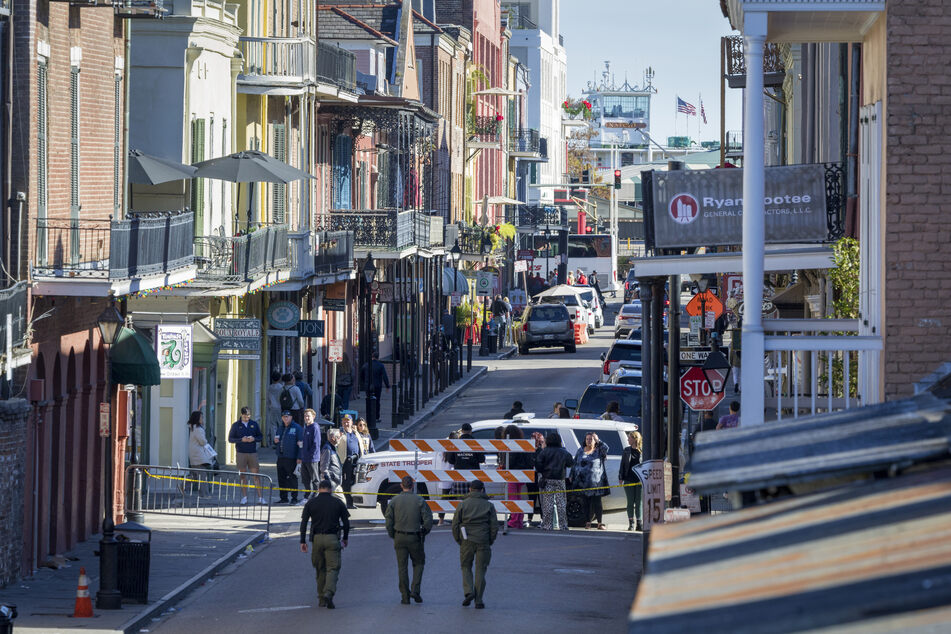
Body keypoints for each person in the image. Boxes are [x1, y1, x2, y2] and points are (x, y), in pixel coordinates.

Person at [300, 479, 350, 609]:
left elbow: (304, 523)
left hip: (316, 539)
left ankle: (321, 598)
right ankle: (329, 592)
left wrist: (302, 541)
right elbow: (346, 523)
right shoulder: (337, 502)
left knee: (319, 569)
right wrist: (345, 538)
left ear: (318, 489)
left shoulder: (311, 503)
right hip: (332, 538)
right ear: (331, 490)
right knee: (333, 568)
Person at [385, 475, 434, 604]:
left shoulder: (394, 501)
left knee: (402, 567)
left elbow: (388, 520)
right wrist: (425, 531)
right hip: (415, 536)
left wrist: (392, 534)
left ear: (401, 486)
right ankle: (415, 590)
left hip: (399, 536)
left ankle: (405, 596)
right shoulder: (419, 500)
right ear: (412, 486)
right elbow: (428, 519)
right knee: (419, 563)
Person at [451, 480, 499, 609]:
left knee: (466, 566)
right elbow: (494, 526)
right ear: (482, 490)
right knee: (480, 570)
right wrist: (490, 540)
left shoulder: (462, 504)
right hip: (483, 540)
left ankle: (468, 591)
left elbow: (455, 525)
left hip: (466, 539)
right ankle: (479, 600)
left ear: (470, 490)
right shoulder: (489, 505)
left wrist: (459, 540)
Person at [534, 432, 574, 530]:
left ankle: (548, 525)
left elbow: (538, 465)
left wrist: (543, 471)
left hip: (547, 479)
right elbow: (570, 463)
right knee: (561, 503)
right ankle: (563, 525)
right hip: (560, 479)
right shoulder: (564, 452)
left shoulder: (544, 451)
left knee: (548, 503)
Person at [571, 432, 610, 529]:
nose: (589, 441)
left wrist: (598, 439)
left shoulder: (599, 451)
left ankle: (600, 523)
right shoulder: (580, 450)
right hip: (582, 482)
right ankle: (588, 522)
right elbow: (575, 463)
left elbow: (606, 448)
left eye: (591, 439)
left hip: (596, 482)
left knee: (597, 503)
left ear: (595, 441)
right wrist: (572, 475)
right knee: (585, 502)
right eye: (587, 439)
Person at [228, 406, 263, 505]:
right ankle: (244, 497)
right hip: (241, 453)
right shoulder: (236, 425)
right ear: (241, 415)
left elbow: (260, 436)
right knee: (243, 476)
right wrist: (241, 440)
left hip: (252, 452)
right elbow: (230, 439)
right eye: (244, 416)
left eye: (248, 416)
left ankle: (260, 497)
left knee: (256, 475)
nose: (246, 418)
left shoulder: (254, 424)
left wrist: (254, 439)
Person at [504, 425, 532, 529]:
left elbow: (510, 462)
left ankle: (514, 520)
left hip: (513, 474)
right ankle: (519, 520)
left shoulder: (511, 445)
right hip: (522, 474)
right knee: (518, 496)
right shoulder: (523, 443)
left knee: (513, 497)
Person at [447, 423, 485, 497]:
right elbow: (481, 459)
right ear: (471, 431)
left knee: (460, 501)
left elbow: (450, 460)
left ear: (462, 431)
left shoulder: (456, 443)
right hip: (474, 478)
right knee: (475, 500)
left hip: (459, 476)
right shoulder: (475, 443)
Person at [274, 411, 303, 504]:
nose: (285, 418)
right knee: (281, 478)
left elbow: (301, 444)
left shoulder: (297, 428)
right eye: (283, 417)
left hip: (292, 458)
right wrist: (275, 441)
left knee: (292, 478)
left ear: (291, 417)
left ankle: (294, 498)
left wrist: (299, 457)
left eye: (287, 417)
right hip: (281, 457)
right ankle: (283, 497)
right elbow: (277, 438)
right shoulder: (280, 427)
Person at [619, 431, 643, 531]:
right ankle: (631, 523)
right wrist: (620, 477)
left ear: (635, 439)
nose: (628, 440)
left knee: (639, 502)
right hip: (628, 479)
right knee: (630, 502)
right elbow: (622, 465)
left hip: (640, 480)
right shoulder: (626, 450)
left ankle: (639, 523)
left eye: (629, 438)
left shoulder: (642, 451)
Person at [187, 411, 215, 495]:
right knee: (203, 477)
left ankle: (183, 486)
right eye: (201, 417)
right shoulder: (198, 429)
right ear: (197, 419)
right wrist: (206, 441)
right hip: (199, 456)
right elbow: (203, 442)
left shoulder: (193, 428)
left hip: (194, 455)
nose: (203, 419)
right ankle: (205, 494)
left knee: (195, 476)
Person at [436, 431, 460, 526]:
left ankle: (440, 520)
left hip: (444, 477)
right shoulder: (454, 447)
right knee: (457, 498)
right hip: (453, 476)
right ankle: (456, 519)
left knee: (444, 499)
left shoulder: (443, 447)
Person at [338, 415, 361, 508]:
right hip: (346, 461)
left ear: (352, 423)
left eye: (348, 421)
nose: (346, 423)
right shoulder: (340, 433)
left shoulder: (356, 433)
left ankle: (354, 501)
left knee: (355, 481)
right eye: (344, 422)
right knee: (346, 482)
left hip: (356, 461)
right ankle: (348, 502)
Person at [299, 409, 321, 502]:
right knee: (305, 479)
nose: (306, 418)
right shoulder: (306, 427)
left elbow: (316, 444)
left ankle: (317, 496)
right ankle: (307, 496)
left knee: (315, 478)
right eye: (305, 416)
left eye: (308, 416)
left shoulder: (314, 427)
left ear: (313, 417)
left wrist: (311, 456)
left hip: (312, 459)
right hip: (304, 458)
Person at [361, 352, 390, 420]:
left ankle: (369, 416)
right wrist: (387, 386)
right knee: (377, 401)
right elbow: (384, 376)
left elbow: (361, 374)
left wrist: (364, 382)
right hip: (377, 386)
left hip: (368, 385)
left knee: (368, 400)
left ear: (372, 356)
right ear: (378, 357)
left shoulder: (366, 365)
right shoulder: (380, 365)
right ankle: (376, 417)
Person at [320, 428, 345, 502]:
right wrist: (329, 481)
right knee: (342, 502)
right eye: (338, 437)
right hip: (332, 482)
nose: (339, 438)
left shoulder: (332, 448)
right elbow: (324, 467)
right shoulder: (327, 449)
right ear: (333, 438)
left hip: (335, 481)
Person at [266, 371, 284, 448]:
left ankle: (275, 441)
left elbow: (268, 399)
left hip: (272, 407)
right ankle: (281, 441)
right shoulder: (281, 387)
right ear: (279, 378)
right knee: (280, 424)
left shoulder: (270, 387)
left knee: (273, 425)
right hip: (280, 407)